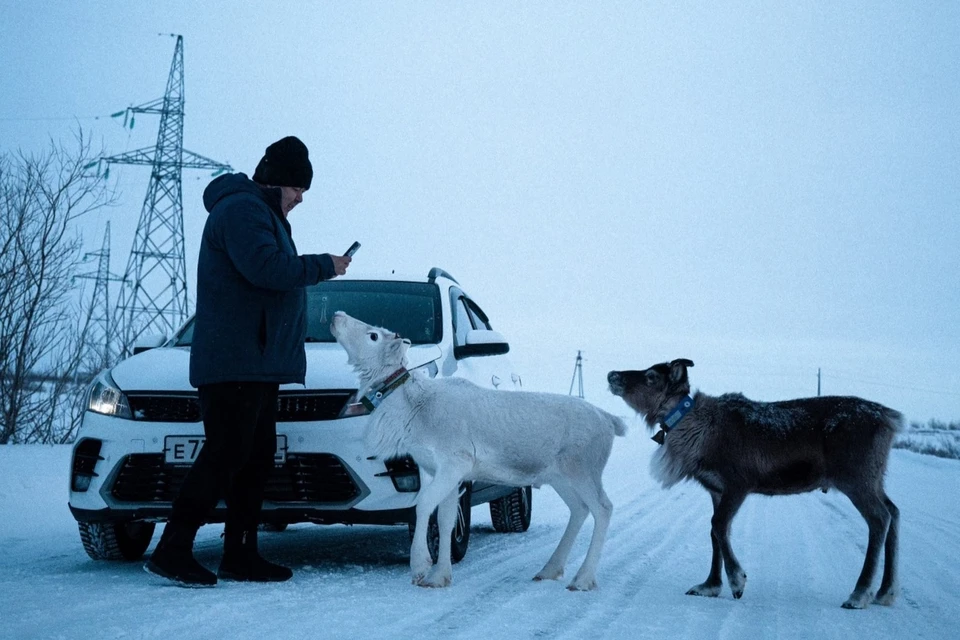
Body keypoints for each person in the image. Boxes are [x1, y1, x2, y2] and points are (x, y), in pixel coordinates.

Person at [144, 136, 351, 586]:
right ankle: (172, 549)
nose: (300, 199)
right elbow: (269, 270)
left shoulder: (259, 212)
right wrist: (323, 265)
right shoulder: (241, 209)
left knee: (254, 458)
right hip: (234, 362)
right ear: (277, 180)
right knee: (226, 453)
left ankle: (240, 554)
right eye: (298, 188)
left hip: (254, 364)